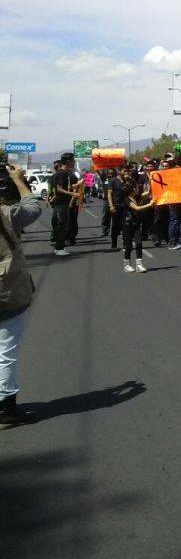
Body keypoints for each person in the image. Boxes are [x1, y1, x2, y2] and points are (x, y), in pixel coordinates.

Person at [0, 164, 43, 427]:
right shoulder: (7, 213)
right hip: (6, 292)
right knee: (6, 351)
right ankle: (5, 408)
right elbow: (34, 207)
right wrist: (20, 181)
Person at [120, 167, 153, 273]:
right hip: (128, 223)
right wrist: (150, 204)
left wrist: (151, 180)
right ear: (130, 190)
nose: (137, 189)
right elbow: (137, 208)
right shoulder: (126, 199)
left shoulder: (137, 197)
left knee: (139, 243)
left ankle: (139, 264)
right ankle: (127, 264)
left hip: (136, 223)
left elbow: (147, 192)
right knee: (128, 245)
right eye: (134, 188)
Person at [51, 153, 81, 256]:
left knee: (64, 225)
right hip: (61, 203)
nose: (74, 162)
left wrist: (75, 185)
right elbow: (59, 189)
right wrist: (72, 193)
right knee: (62, 225)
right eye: (73, 160)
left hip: (64, 203)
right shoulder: (61, 173)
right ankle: (59, 248)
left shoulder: (66, 174)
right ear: (68, 161)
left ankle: (60, 247)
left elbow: (64, 186)